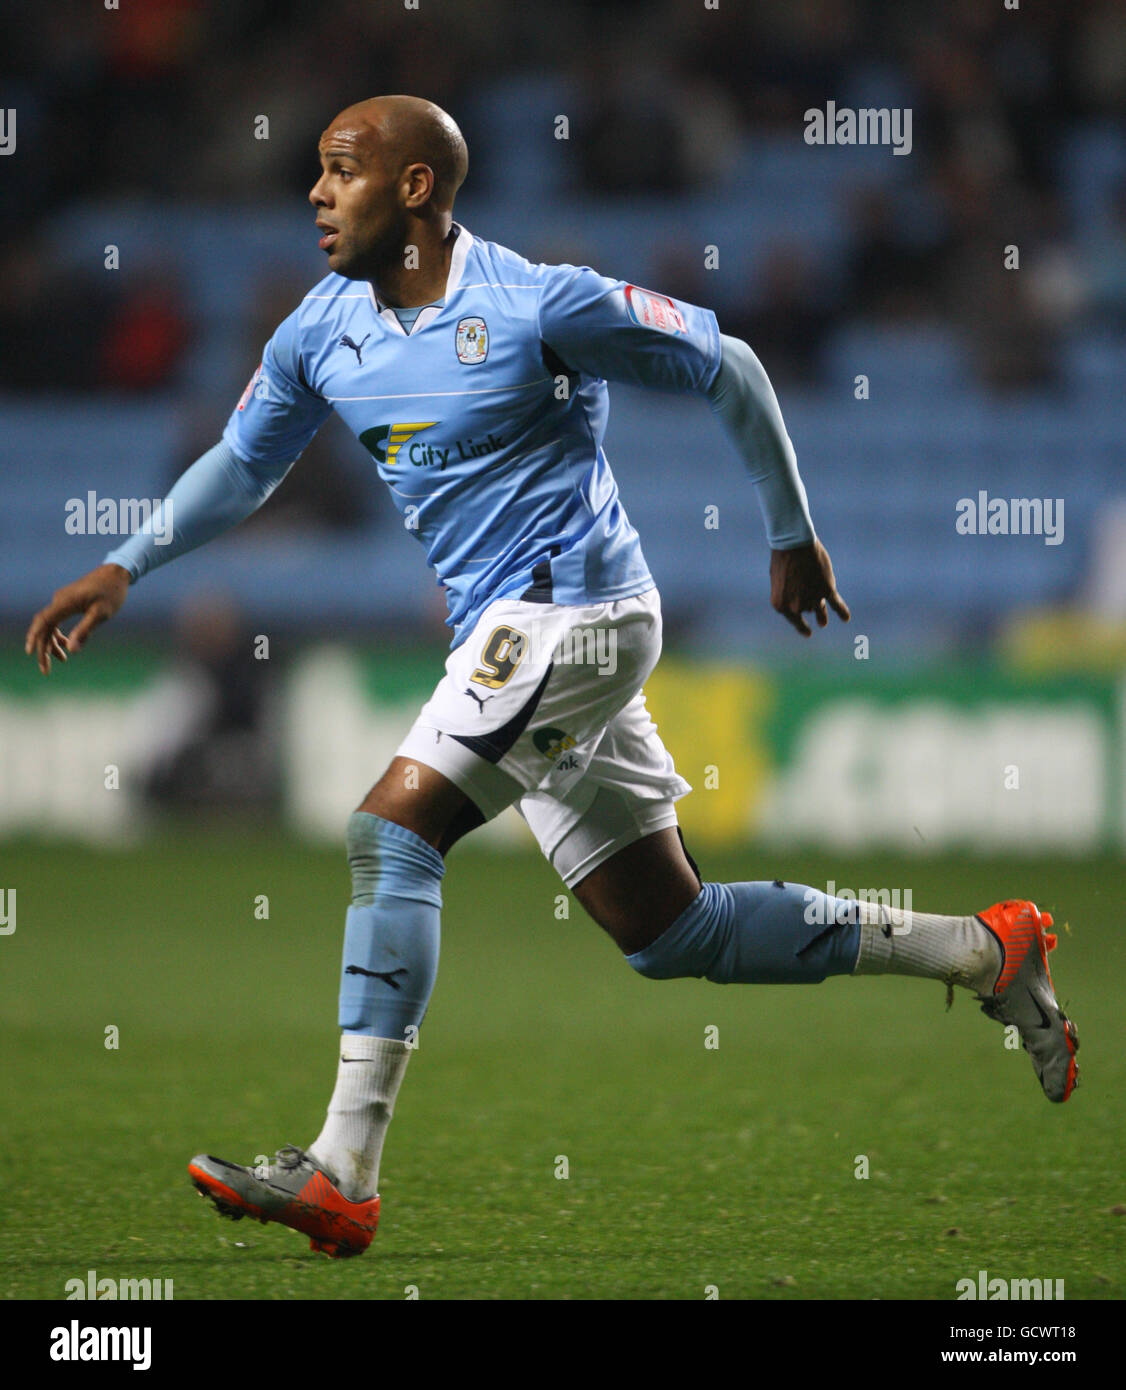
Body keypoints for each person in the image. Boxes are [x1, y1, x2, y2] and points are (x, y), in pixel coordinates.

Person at [25, 96, 1078, 1260]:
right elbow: (241, 463)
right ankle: (984, 949)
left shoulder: (537, 304)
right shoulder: (318, 330)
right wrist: (128, 562)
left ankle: (342, 1170)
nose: (316, 195)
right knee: (675, 933)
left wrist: (790, 533)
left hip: (576, 611)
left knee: (392, 833)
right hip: (508, 633)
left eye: (340, 172)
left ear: (415, 189)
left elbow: (728, 362)